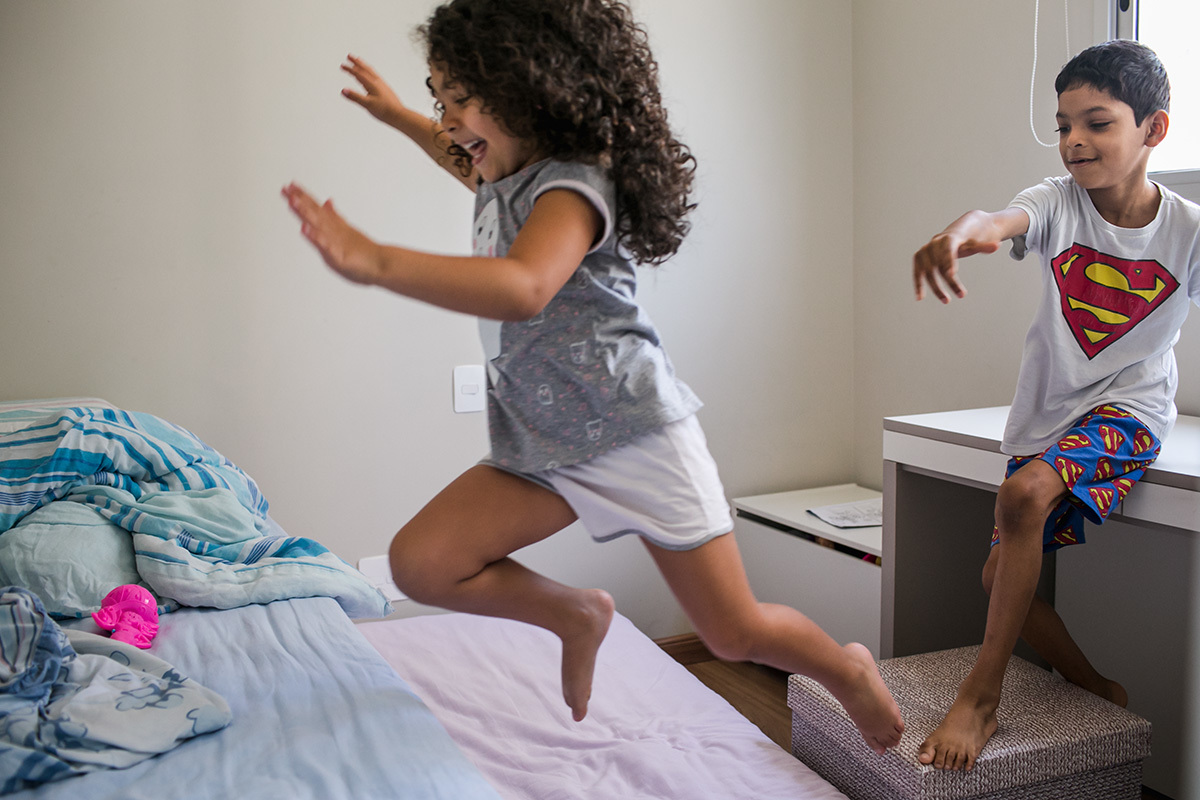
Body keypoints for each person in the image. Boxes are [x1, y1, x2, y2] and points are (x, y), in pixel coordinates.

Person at [282, 0, 904, 754]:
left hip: (633, 431)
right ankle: (575, 613)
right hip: (545, 440)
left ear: (529, 90)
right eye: (440, 99)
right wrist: (402, 117)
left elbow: (524, 286)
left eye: (459, 100)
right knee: (423, 563)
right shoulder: (498, 174)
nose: (448, 121)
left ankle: (848, 671)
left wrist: (374, 259)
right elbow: (456, 156)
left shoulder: (573, 186)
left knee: (732, 632)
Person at [912, 38, 1200, 771]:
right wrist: (956, 235)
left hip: (1131, 411)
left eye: (1097, 123)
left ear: (1153, 130)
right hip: (1049, 413)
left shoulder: (1188, 231)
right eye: (1064, 124)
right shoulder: (1057, 202)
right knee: (995, 572)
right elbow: (997, 220)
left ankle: (981, 695)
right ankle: (1094, 683)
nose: (1075, 141)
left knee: (1025, 492)